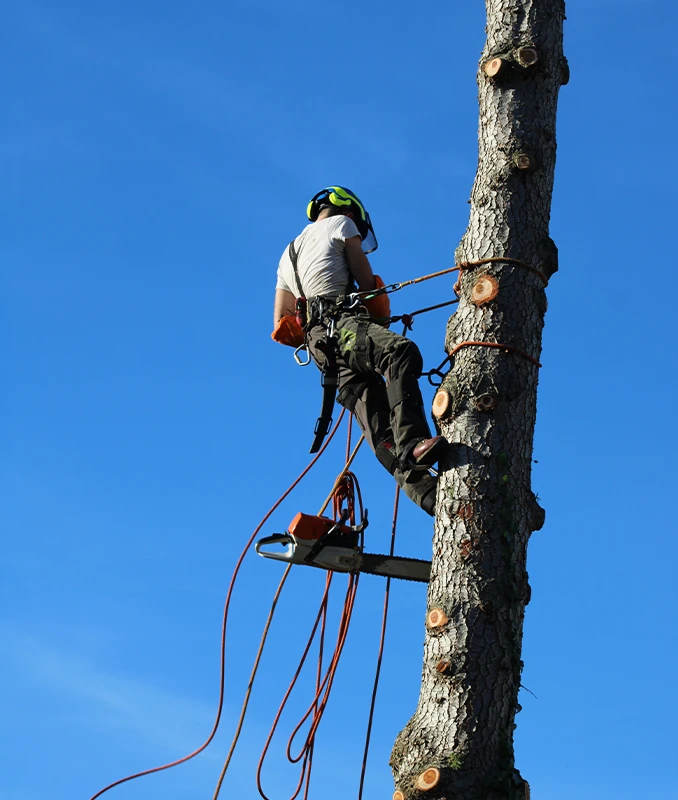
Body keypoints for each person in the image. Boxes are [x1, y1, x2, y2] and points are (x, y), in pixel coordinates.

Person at [272, 186, 447, 515]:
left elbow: (282, 320)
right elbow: (367, 287)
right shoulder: (341, 224)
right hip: (344, 325)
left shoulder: (288, 253)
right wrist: (372, 310)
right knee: (400, 352)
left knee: (377, 422)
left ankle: (427, 494)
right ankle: (413, 442)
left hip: (322, 351)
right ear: (349, 212)